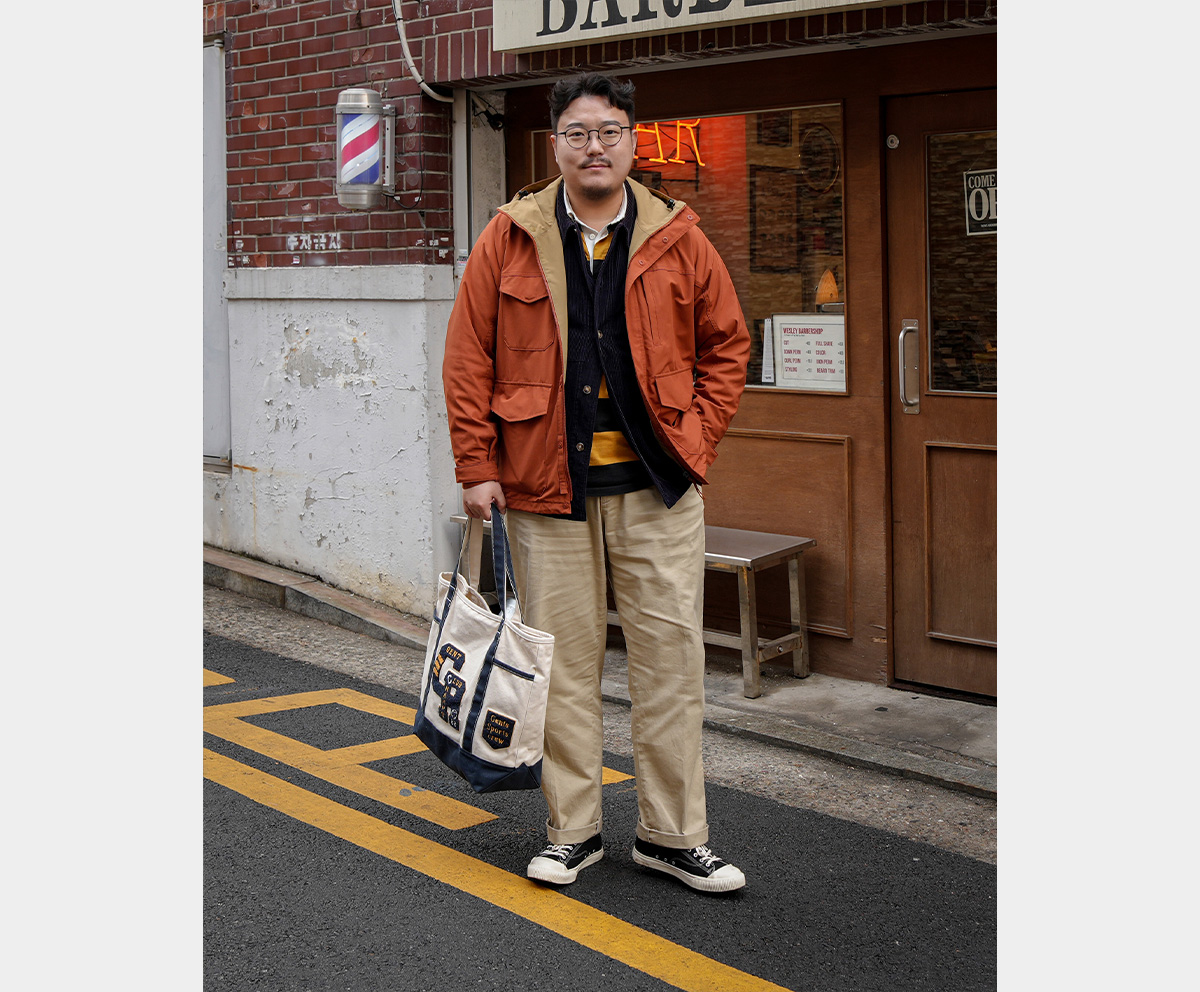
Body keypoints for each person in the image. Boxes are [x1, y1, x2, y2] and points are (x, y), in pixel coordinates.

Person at [442, 72, 750, 894]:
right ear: (556, 145)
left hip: (657, 491)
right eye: (578, 133)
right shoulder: (508, 235)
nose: (594, 147)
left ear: (633, 141)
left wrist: (697, 442)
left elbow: (728, 344)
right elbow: (469, 358)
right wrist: (477, 467)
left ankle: (673, 836)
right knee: (564, 671)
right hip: (547, 492)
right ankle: (572, 833)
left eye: (609, 131)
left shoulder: (679, 235)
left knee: (671, 666)